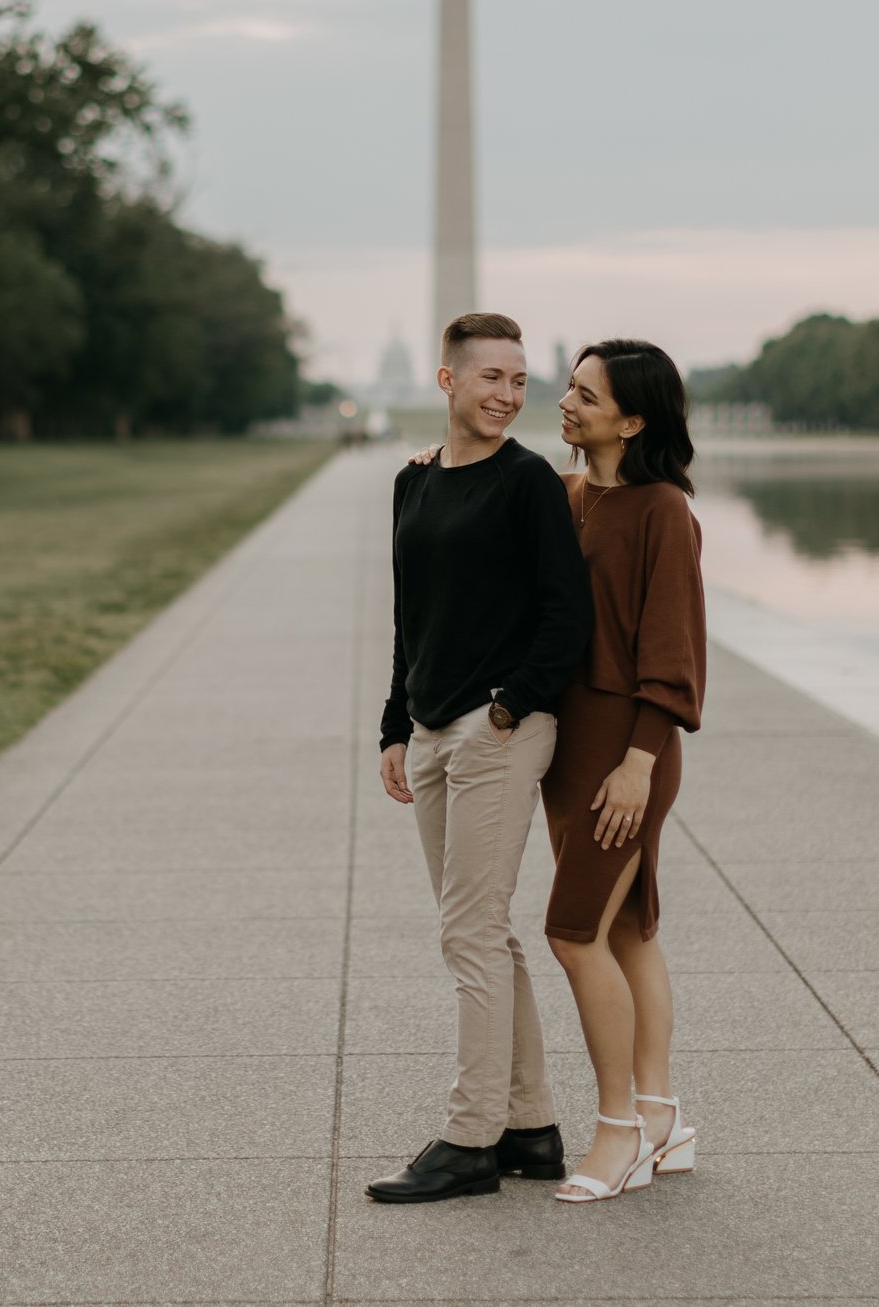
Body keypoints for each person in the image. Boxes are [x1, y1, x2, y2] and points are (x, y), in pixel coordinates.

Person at [405, 336, 705, 1205]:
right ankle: (662, 1116)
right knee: (627, 930)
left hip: (626, 747)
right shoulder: (565, 492)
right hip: (566, 745)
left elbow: (673, 652)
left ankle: (619, 1131)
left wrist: (640, 764)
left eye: (585, 396)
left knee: (573, 932)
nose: (564, 404)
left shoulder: (662, 511)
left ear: (633, 418)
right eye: (567, 388)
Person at [364, 312, 593, 1205]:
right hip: (428, 730)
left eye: (519, 380)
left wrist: (508, 706)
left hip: (498, 731)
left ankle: (468, 1137)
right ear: (448, 380)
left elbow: (564, 614)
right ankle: (531, 1127)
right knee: (485, 934)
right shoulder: (411, 482)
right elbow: (409, 612)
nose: (507, 393)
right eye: (490, 376)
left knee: (468, 932)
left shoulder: (529, 481)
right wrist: (394, 723)